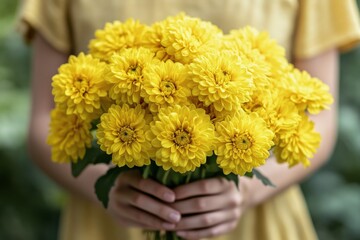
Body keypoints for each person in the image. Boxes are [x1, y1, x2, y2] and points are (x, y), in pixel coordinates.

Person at [18, 0, 360, 239]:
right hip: (109, 223)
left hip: (254, 221)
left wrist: (248, 191)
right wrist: (106, 189)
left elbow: (319, 125)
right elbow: (41, 125)